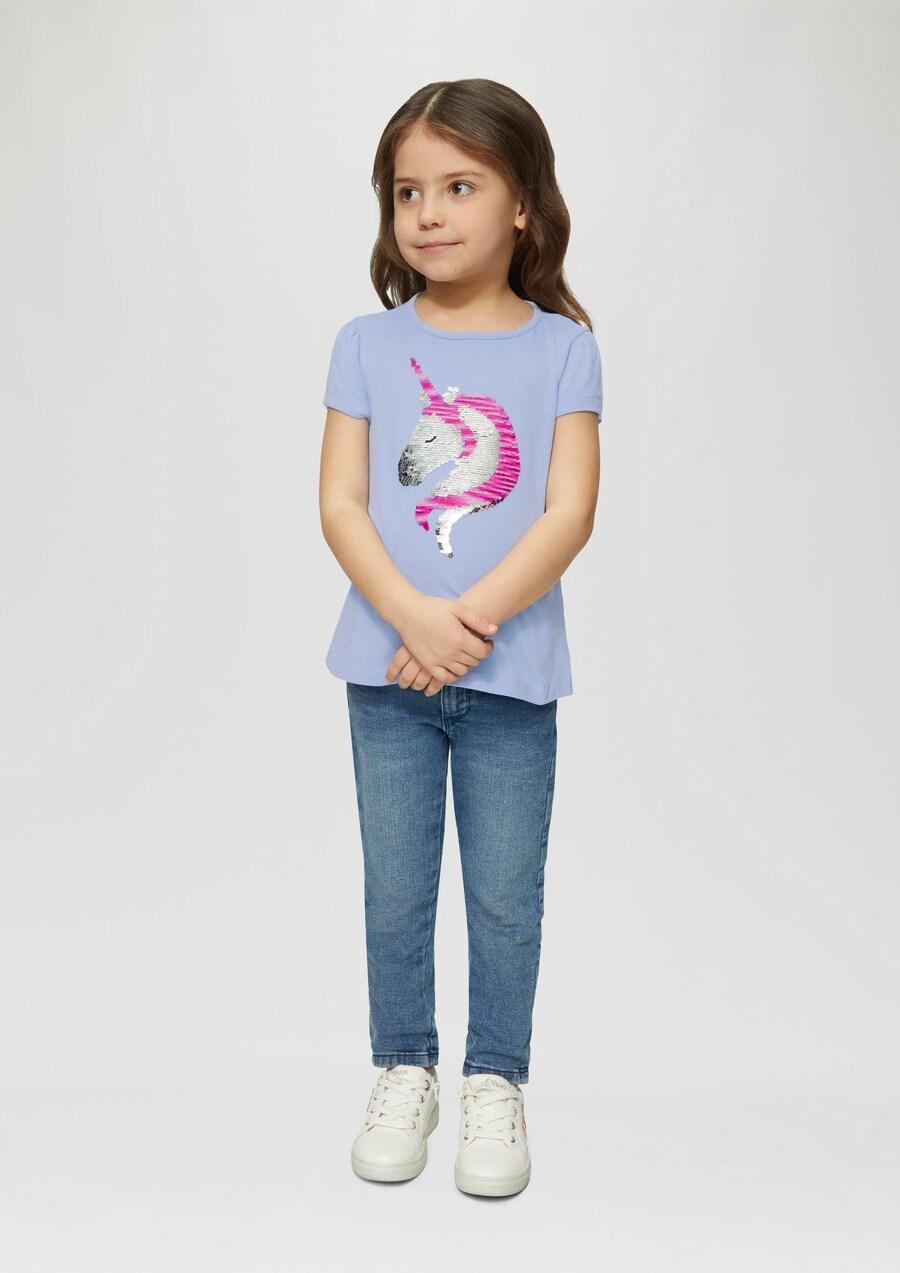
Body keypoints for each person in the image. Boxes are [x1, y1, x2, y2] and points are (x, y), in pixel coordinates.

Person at [318, 78, 603, 1198]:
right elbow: (342, 503)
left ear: (522, 202)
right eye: (407, 192)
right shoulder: (364, 344)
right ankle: (405, 1066)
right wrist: (411, 617)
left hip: (512, 675)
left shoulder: (564, 350)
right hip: (385, 671)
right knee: (395, 890)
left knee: (503, 896)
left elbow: (568, 513)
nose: (428, 213)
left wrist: (462, 626)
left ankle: (495, 1079)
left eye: (459, 186)